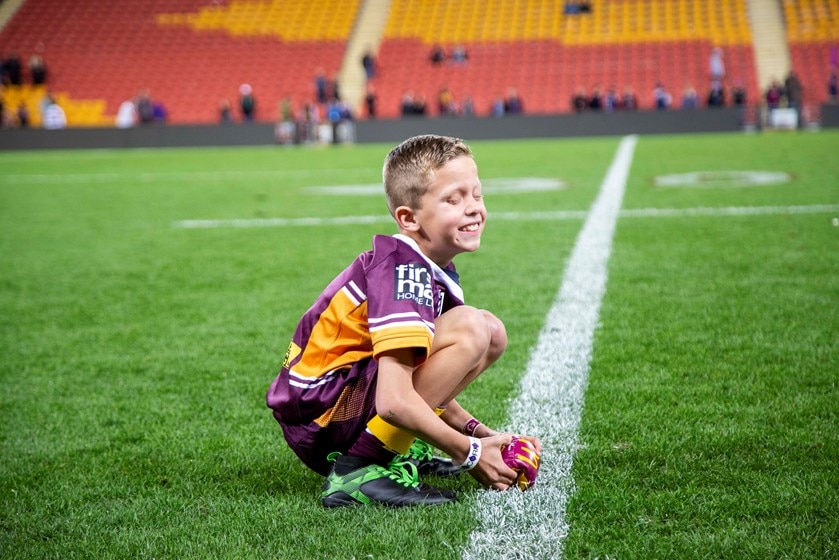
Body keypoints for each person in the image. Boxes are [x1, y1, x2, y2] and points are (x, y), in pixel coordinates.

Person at [266, 134, 541, 507]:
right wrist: (470, 452)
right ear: (409, 218)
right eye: (453, 199)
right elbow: (395, 400)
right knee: (474, 328)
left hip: (335, 404)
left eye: (476, 194)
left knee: (489, 331)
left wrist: (483, 434)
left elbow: (420, 378)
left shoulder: (426, 268)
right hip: (322, 416)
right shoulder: (402, 272)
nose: (473, 208)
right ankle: (358, 470)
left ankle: (391, 448)